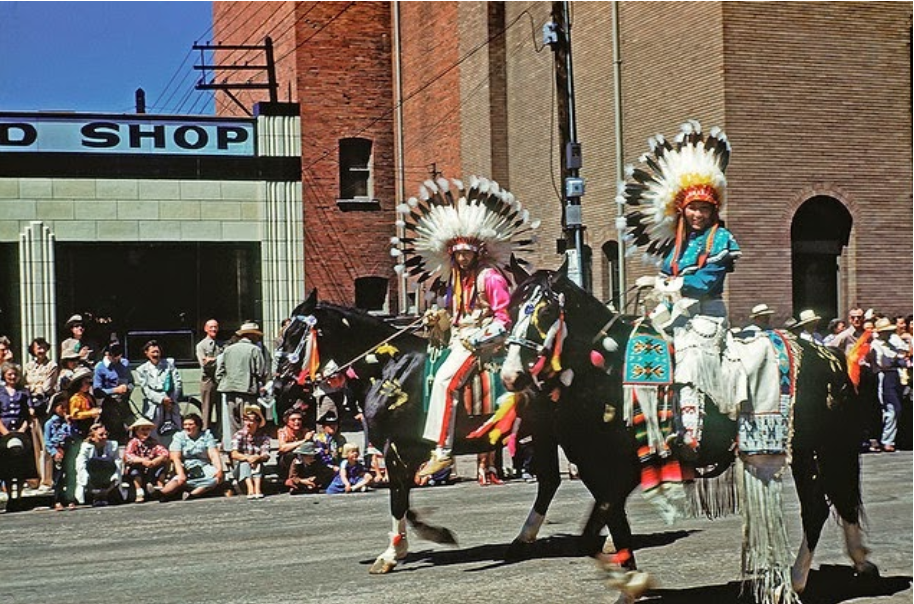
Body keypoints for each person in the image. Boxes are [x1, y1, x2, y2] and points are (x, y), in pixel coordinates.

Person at [624, 122, 740, 455]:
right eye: (692, 208)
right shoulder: (679, 244)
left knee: (689, 359)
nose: (698, 214)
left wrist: (671, 284)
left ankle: (691, 434)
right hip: (677, 312)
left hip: (707, 315)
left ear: (713, 209)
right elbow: (667, 276)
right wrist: (656, 288)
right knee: (638, 341)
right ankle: (647, 422)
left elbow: (708, 281)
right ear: (682, 210)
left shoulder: (722, 239)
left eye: (704, 208)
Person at [216, 321, 268, 450]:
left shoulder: (228, 350)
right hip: (248, 392)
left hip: (229, 391)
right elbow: (261, 371)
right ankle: (246, 452)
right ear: (252, 336)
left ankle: (234, 453)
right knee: (249, 423)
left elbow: (219, 372)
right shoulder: (254, 350)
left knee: (233, 424)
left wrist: (225, 382)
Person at [160, 413, 224, 500]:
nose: (187, 427)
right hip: (186, 466)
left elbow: (213, 454)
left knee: (216, 478)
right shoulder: (179, 436)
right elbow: (175, 457)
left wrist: (219, 469)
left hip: (203, 466)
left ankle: (193, 494)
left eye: (190, 424)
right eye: (185, 425)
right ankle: (161, 493)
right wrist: (181, 474)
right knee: (178, 479)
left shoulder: (207, 435)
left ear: (197, 426)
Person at [0, 362, 38, 499]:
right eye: (9, 374)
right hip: (4, 431)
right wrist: (5, 432)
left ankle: (19, 497)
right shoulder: (0, 391)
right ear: (4, 376)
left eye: (15, 374)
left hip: (21, 432)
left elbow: (29, 413)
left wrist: (22, 430)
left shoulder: (24, 391)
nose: (12, 377)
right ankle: (10, 496)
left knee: (21, 466)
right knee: (7, 466)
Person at [135, 340, 183, 449]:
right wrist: (161, 400)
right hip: (153, 407)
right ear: (146, 353)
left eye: (157, 352)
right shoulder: (141, 370)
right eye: (153, 352)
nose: (156, 355)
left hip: (171, 404)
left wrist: (171, 400)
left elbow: (177, 382)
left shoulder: (169, 364)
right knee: (154, 434)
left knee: (175, 433)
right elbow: (146, 390)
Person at [869, 317, 906, 453]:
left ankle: (890, 438)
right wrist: (897, 357)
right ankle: (887, 440)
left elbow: (905, 351)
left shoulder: (893, 341)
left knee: (896, 407)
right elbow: (883, 363)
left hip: (895, 374)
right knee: (891, 407)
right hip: (885, 376)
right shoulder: (876, 345)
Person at [92, 341, 134, 445]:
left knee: (130, 430)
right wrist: (114, 390)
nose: (117, 358)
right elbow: (97, 391)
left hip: (124, 403)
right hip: (109, 405)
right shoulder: (100, 368)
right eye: (114, 355)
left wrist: (128, 388)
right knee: (111, 433)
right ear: (107, 354)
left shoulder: (124, 363)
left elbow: (132, 382)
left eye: (119, 355)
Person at [74, 422, 123, 506]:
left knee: (109, 462)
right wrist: (86, 479)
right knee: (92, 462)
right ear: (92, 437)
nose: (105, 437)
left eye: (106, 434)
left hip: (108, 475)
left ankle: (107, 493)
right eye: (101, 435)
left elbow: (118, 462)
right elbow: (80, 463)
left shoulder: (113, 445)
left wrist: (115, 478)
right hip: (93, 477)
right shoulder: (85, 447)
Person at [123, 417, 170, 502]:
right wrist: (142, 460)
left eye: (148, 429)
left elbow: (164, 452)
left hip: (151, 467)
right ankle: (139, 491)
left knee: (161, 468)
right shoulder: (133, 442)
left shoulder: (153, 442)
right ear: (136, 431)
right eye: (143, 429)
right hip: (138, 467)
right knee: (135, 472)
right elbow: (128, 455)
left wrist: (156, 460)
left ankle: (161, 489)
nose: (145, 431)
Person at [229, 405, 271, 499]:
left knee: (257, 461)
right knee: (245, 462)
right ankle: (250, 488)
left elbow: (266, 454)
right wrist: (249, 458)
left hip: (257, 467)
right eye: (246, 420)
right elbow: (234, 454)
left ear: (257, 422)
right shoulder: (239, 435)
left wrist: (257, 457)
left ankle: (257, 488)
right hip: (240, 469)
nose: (248, 423)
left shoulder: (263, 437)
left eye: (251, 421)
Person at [43, 395, 75, 510]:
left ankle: (70, 498)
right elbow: (47, 440)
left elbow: (72, 435)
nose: (64, 410)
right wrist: (53, 452)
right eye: (62, 408)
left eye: (66, 408)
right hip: (57, 450)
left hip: (68, 449)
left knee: (70, 475)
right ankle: (57, 500)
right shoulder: (49, 423)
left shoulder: (67, 422)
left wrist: (70, 424)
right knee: (58, 477)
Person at [195, 319, 224, 434]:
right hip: (208, 380)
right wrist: (219, 359)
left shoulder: (221, 345)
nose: (213, 329)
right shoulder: (201, 345)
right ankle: (205, 432)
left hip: (220, 380)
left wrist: (212, 360)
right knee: (206, 408)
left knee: (221, 408)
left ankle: (221, 433)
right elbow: (204, 364)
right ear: (205, 329)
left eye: (215, 327)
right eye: (211, 327)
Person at [276, 407, 314, 482]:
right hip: (286, 462)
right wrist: (304, 440)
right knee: (291, 455)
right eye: (293, 420)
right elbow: (283, 448)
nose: (297, 422)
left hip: (303, 461)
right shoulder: (282, 431)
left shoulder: (305, 431)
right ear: (287, 421)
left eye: (299, 419)